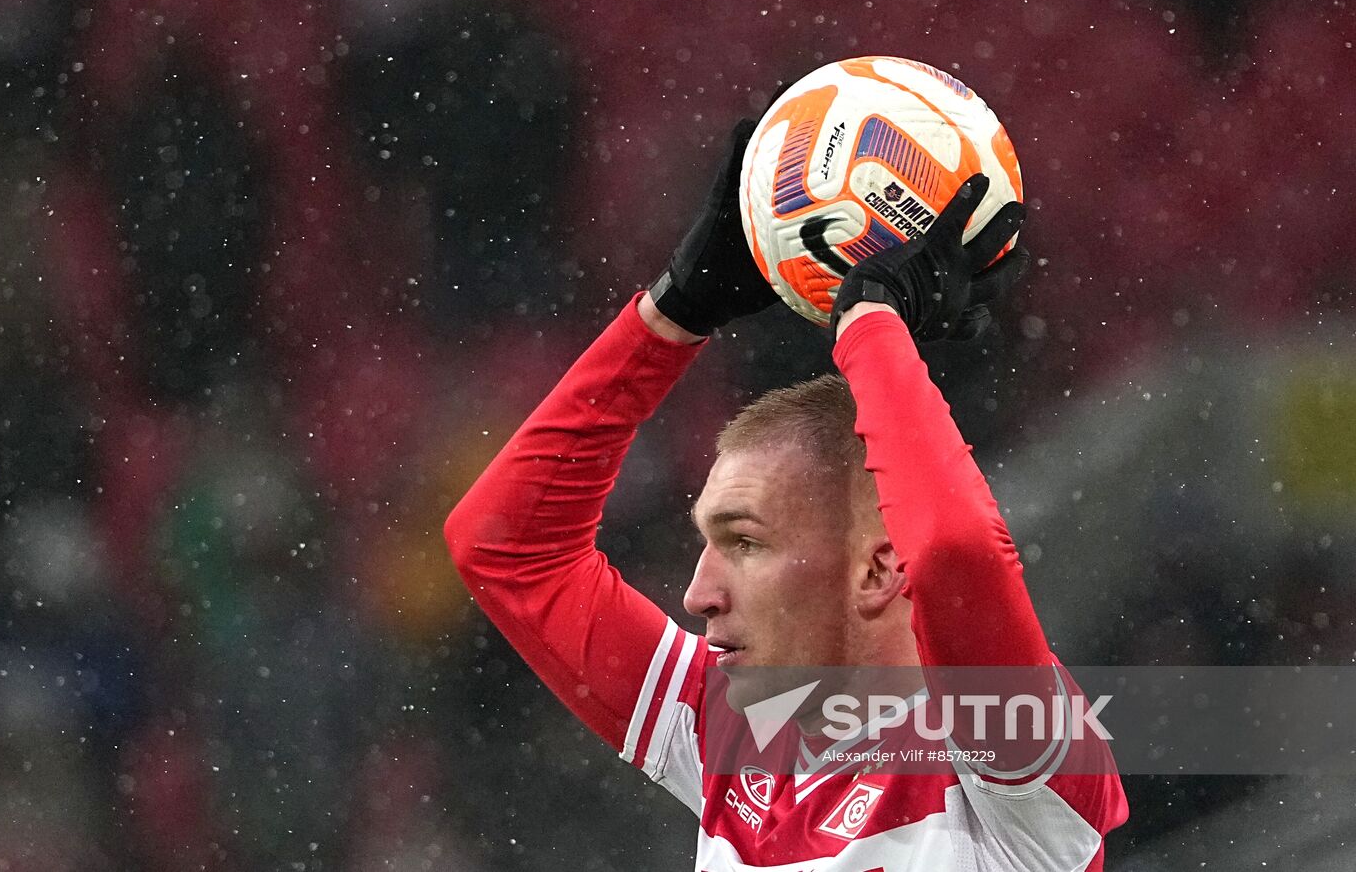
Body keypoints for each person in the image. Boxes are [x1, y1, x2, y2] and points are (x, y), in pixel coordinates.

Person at [445, 120, 1128, 869]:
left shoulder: (1013, 764)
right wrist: (672, 314)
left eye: (744, 541)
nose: (697, 592)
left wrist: (872, 320)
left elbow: (956, 551)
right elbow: (505, 547)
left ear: (876, 569)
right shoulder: (737, 737)